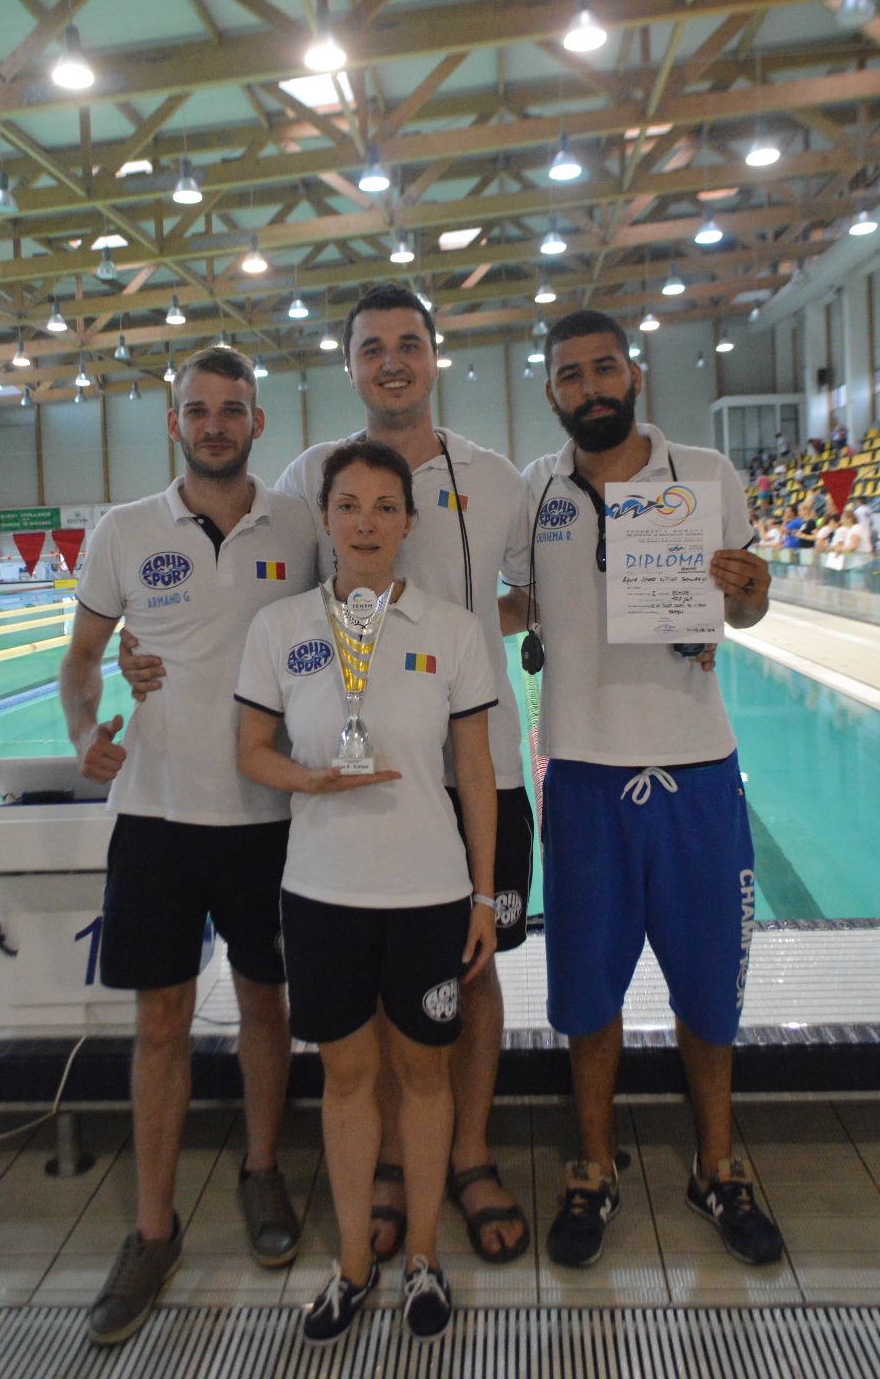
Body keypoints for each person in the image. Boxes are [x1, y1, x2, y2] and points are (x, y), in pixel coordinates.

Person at [501, 309, 783, 1271]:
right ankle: (592, 1166)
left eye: (603, 368)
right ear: (552, 391)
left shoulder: (704, 473)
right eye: (570, 374)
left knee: (708, 989)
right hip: (583, 772)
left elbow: (745, 607)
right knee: (587, 992)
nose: (589, 387)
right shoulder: (536, 491)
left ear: (633, 376)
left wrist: (748, 589)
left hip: (696, 768)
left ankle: (717, 1167)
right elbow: (518, 600)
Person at [59, 346, 317, 1346]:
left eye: (232, 409)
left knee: (266, 1004)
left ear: (258, 422)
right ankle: (154, 1228)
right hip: (157, 816)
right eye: (197, 410)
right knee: (160, 1020)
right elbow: (83, 658)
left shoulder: (299, 524)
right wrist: (85, 730)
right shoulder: (124, 530)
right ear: (174, 422)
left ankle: (261, 1170)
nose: (215, 424)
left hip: (268, 814)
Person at [272, 284, 534, 1266]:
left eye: (408, 343)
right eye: (372, 346)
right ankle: (386, 1160)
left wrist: (460, 649)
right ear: (348, 365)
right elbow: (279, 607)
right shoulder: (308, 476)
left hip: (482, 765)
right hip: (366, 774)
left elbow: (534, 593)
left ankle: (467, 1155)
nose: (392, 361)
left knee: (475, 967)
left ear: (435, 355)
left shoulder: (494, 477)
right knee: (377, 980)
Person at [235, 439, 498, 1345]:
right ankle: (352, 1264)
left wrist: (483, 897)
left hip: (429, 892)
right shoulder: (280, 628)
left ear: (409, 522)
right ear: (325, 518)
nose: (366, 523)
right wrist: (309, 780)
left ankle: (422, 1255)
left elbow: (474, 770)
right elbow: (251, 751)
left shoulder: (451, 630)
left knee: (424, 1074)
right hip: (321, 891)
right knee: (346, 1078)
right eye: (348, 506)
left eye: (386, 507)